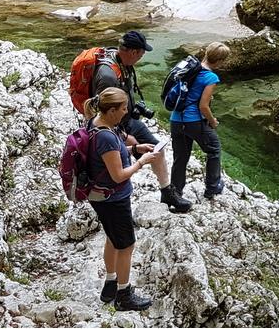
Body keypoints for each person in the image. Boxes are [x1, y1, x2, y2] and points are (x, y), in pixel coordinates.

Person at [92, 31, 192, 213]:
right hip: (114, 128)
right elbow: (102, 113)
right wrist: (123, 136)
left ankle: (167, 192)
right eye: (141, 53)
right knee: (122, 160)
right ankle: (116, 204)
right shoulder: (108, 75)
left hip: (127, 120)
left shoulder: (122, 64)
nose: (142, 56)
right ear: (132, 52)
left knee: (157, 149)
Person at [83, 87, 154, 311]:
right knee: (127, 245)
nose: (126, 112)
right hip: (114, 199)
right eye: (123, 108)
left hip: (101, 196)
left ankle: (110, 283)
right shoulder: (106, 136)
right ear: (112, 110)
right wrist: (142, 161)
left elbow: (112, 155)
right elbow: (119, 175)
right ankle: (124, 295)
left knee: (112, 237)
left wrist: (135, 148)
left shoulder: (96, 123)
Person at [170, 42, 231, 201]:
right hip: (193, 121)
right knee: (214, 150)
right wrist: (213, 121)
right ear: (219, 61)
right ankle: (212, 187)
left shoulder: (190, 70)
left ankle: (175, 194)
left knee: (180, 158)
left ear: (205, 54)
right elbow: (203, 106)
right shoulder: (211, 77)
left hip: (176, 119)